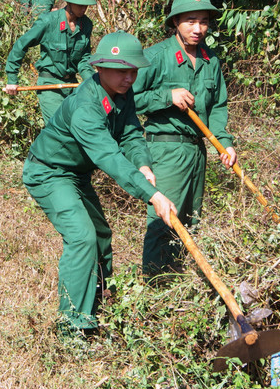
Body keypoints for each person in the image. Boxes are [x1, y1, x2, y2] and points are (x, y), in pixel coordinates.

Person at [22, 30, 177, 337]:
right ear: (99, 68)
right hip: (49, 173)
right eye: (121, 71)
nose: (129, 78)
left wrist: (143, 163)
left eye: (133, 70)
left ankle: (101, 302)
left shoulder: (122, 92)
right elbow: (110, 157)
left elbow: (131, 133)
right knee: (82, 237)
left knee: (101, 234)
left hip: (76, 175)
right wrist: (152, 195)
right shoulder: (85, 107)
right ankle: (72, 326)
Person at [132, 0, 236, 279]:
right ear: (175, 21)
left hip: (197, 150)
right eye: (191, 20)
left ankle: (178, 283)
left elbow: (217, 107)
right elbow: (128, 99)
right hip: (166, 149)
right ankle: (154, 285)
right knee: (165, 220)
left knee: (190, 221)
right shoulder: (156, 56)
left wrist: (224, 144)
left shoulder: (210, 61)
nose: (198, 28)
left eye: (204, 21)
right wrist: (167, 95)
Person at [4, 0, 96, 122]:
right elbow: (21, 45)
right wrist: (12, 78)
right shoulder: (48, 21)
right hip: (49, 84)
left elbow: (84, 58)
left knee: (80, 126)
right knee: (58, 128)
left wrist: (90, 81)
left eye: (86, 5)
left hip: (72, 84)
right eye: (79, 5)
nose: (84, 8)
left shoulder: (86, 24)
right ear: (69, 3)